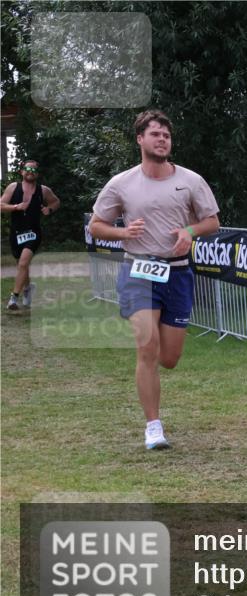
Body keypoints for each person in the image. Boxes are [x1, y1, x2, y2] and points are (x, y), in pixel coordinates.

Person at [88, 109, 220, 450]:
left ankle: (156, 386)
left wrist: (190, 230)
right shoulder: (122, 183)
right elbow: (96, 225)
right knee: (146, 348)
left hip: (177, 272)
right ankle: (153, 426)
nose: (162, 140)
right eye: (156, 134)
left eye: (166, 135)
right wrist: (122, 232)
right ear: (140, 139)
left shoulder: (190, 180)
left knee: (169, 358)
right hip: (138, 271)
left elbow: (212, 221)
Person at [1, 160, 60, 310]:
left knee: (23, 263)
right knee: (22, 266)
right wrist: (16, 207)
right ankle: (28, 289)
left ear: (37, 174)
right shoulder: (13, 187)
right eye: (27, 169)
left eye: (33, 170)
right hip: (16, 233)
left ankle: (14, 298)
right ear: (22, 172)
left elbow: (56, 202)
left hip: (33, 233)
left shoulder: (44, 190)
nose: (30, 171)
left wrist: (49, 209)